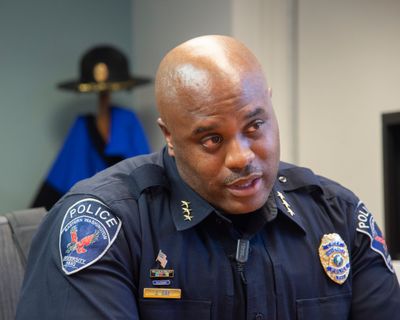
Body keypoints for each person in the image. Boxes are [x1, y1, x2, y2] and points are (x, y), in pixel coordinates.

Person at [16, 35, 400, 319]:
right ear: (169, 136)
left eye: (255, 126)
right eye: (212, 139)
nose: (241, 157)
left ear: (269, 103)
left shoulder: (338, 217)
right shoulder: (109, 225)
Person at [31, 45, 152, 210]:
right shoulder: (82, 127)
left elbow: (143, 172)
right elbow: (62, 177)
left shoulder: (127, 121)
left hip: (127, 207)